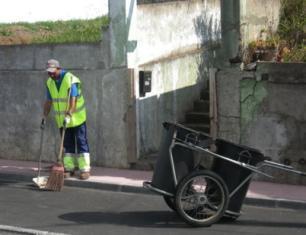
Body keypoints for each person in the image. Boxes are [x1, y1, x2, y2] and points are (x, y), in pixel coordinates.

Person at [42, 59, 91, 180]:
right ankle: (69, 168)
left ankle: (84, 170)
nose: (51, 74)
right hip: (62, 120)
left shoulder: (70, 80)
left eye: (53, 71)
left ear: (59, 68)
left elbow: (73, 100)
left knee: (81, 142)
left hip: (77, 118)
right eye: (49, 72)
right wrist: (44, 116)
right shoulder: (50, 82)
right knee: (67, 144)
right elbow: (49, 101)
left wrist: (69, 114)